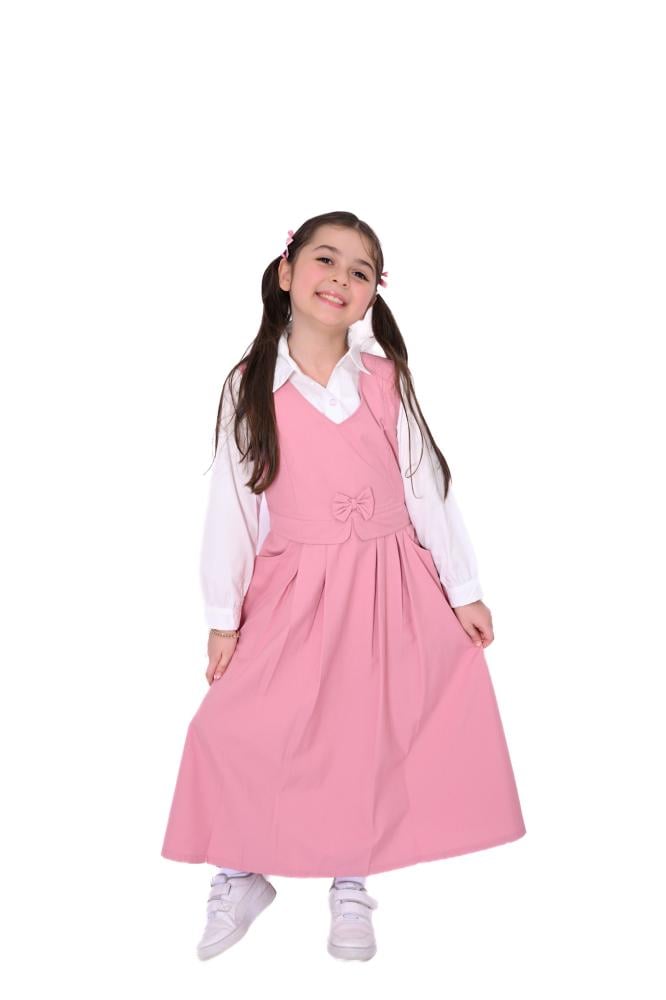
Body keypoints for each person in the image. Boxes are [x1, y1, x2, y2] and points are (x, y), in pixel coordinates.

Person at [160, 210, 526, 963]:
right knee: (234, 726)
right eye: (325, 260)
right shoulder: (251, 385)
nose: (340, 278)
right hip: (296, 583)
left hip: (389, 580)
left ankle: (351, 884)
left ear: (371, 295)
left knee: (361, 733)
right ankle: (240, 871)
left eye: (360, 271)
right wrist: (224, 615)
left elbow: (425, 485)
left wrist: (463, 588)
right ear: (287, 271)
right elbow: (233, 504)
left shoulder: (385, 380)